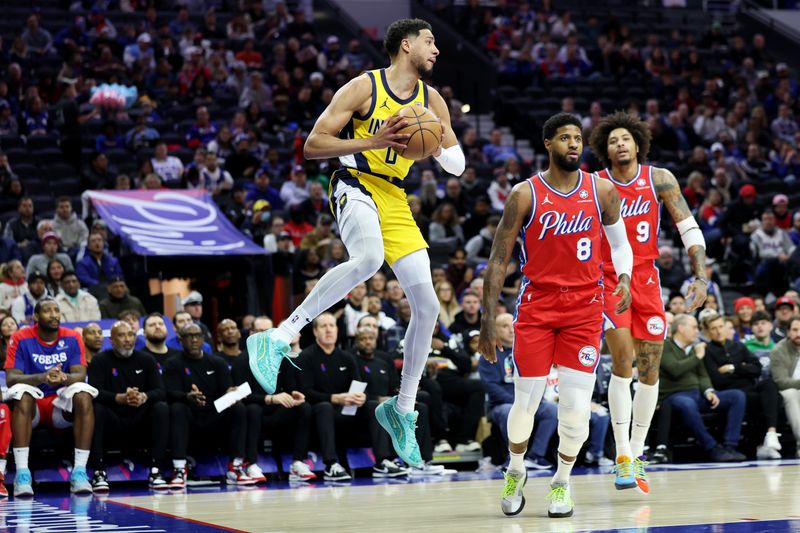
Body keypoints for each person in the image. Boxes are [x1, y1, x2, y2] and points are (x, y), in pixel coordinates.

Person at [247, 19, 465, 469]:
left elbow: (458, 166)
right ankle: (280, 336)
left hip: (395, 198)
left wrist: (435, 143)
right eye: (430, 41)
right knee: (367, 257)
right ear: (406, 45)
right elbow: (312, 145)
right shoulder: (363, 88)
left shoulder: (433, 101)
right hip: (355, 181)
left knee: (427, 306)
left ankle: (401, 408)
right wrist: (375, 139)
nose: (437, 49)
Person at [478, 113, 632, 518]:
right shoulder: (524, 194)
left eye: (578, 138)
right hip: (538, 305)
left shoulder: (601, 191)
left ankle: (562, 481)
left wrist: (627, 277)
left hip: (584, 308)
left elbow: (621, 244)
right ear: (548, 144)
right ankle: (515, 469)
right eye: (565, 138)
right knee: (525, 402)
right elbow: (498, 260)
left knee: (577, 408)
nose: (574, 145)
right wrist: (486, 321)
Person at [588, 111, 708, 494]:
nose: (620, 144)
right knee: (623, 363)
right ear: (605, 150)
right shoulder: (595, 184)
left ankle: (637, 452)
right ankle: (622, 454)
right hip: (609, 279)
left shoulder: (659, 179)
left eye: (626, 138)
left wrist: (701, 276)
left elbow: (688, 226)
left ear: (638, 143)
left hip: (648, 280)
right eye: (612, 140)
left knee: (650, 371)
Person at [296, 313, 406, 480]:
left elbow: (360, 387)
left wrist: (361, 397)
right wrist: (335, 398)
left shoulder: (346, 357)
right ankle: (331, 465)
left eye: (331, 326)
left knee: (372, 405)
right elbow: (306, 392)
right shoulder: (306, 357)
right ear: (315, 331)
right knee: (324, 408)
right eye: (323, 326)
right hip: (321, 412)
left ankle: (383, 461)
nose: (328, 330)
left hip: (346, 410)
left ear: (337, 330)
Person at [4, 298, 94, 496]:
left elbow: (80, 375)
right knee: (23, 394)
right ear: (36, 316)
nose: (54, 315)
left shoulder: (72, 337)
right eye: (47, 311)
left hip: (59, 404)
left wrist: (63, 377)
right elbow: (11, 378)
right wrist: (42, 377)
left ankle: (79, 472)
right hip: (32, 407)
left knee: (84, 395)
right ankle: (22, 474)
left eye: (56, 310)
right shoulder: (21, 337)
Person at [164, 323, 254, 488]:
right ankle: (179, 469)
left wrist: (232, 393)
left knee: (238, 407)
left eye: (197, 336)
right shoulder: (173, 364)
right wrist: (188, 396)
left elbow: (227, 388)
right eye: (189, 336)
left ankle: (236, 466)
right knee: (177, 408)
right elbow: (168, 393)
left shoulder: (216, 362)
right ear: (181, 340)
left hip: (213, 412)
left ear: (203, 339)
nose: (194, 340)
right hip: (189, 413)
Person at [88, 321, 169, 491]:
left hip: (139, 416)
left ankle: (156, 470)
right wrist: (119, 398)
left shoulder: (146, 359)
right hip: (113, 417)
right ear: (111, 340)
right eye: (122, 335)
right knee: (96, 409)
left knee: (160, 407)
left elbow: (161, 390)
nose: (127, 339)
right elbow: (94, 392)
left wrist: (143, 396)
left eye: (131, 335)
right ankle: (99, 471)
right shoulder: (100, 360)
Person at [659, 314, 747, 462]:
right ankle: (712, 447)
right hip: (674, 395)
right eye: (694, 327)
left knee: (737, 396)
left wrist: (709, 391)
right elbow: (675, 369)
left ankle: (730, 446)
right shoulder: (665, 346)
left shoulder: (694, 349)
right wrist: (697, 356)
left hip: (697, 395)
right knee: (686, 403)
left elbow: (703, 375)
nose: (697, 331)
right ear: (681, 328)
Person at [232, 331, 317, 483]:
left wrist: (295, 396)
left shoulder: (281, 357)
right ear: (253, 335)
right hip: (255, 412)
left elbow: (290, 387)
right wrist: (269, 398)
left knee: (304, 407)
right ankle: (251, 464)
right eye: (261, 331)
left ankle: (297, 463)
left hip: (277, 411)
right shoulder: (241, 360)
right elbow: (241, 396)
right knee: (252, 409)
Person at [479, 314, 557, 470]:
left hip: (529, 400)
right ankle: (514, 459)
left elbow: (539, 378)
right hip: (502, 404)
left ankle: (536, 456)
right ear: (495, 330)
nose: (511, 330)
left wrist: (532, 399)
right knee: (510, 412)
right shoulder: (490, 353)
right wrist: (518, 403)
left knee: (551, 410)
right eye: (505, 326)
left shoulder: (528, 349)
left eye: (512, 325)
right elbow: (491, 386)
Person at [701, 312, 782, 459]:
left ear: (726, 327)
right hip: (730, 393)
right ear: (707, 332)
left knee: (770, 386)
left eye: (721, 326)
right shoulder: (707, 351)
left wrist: (733, 368)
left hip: (750, 389)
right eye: (714, 328)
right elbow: (717, 379)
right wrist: (744, 369)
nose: (719, 331)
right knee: (770, 400)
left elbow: (756, 368)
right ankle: (758, 444)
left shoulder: (738, 346)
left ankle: (771, 434)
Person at [769, 316, 800, 458]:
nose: (798, 333)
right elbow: (781, 382)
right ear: (788, 332)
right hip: (785, 392)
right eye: (795, 330)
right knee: (791, 394)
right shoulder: (778, 350)